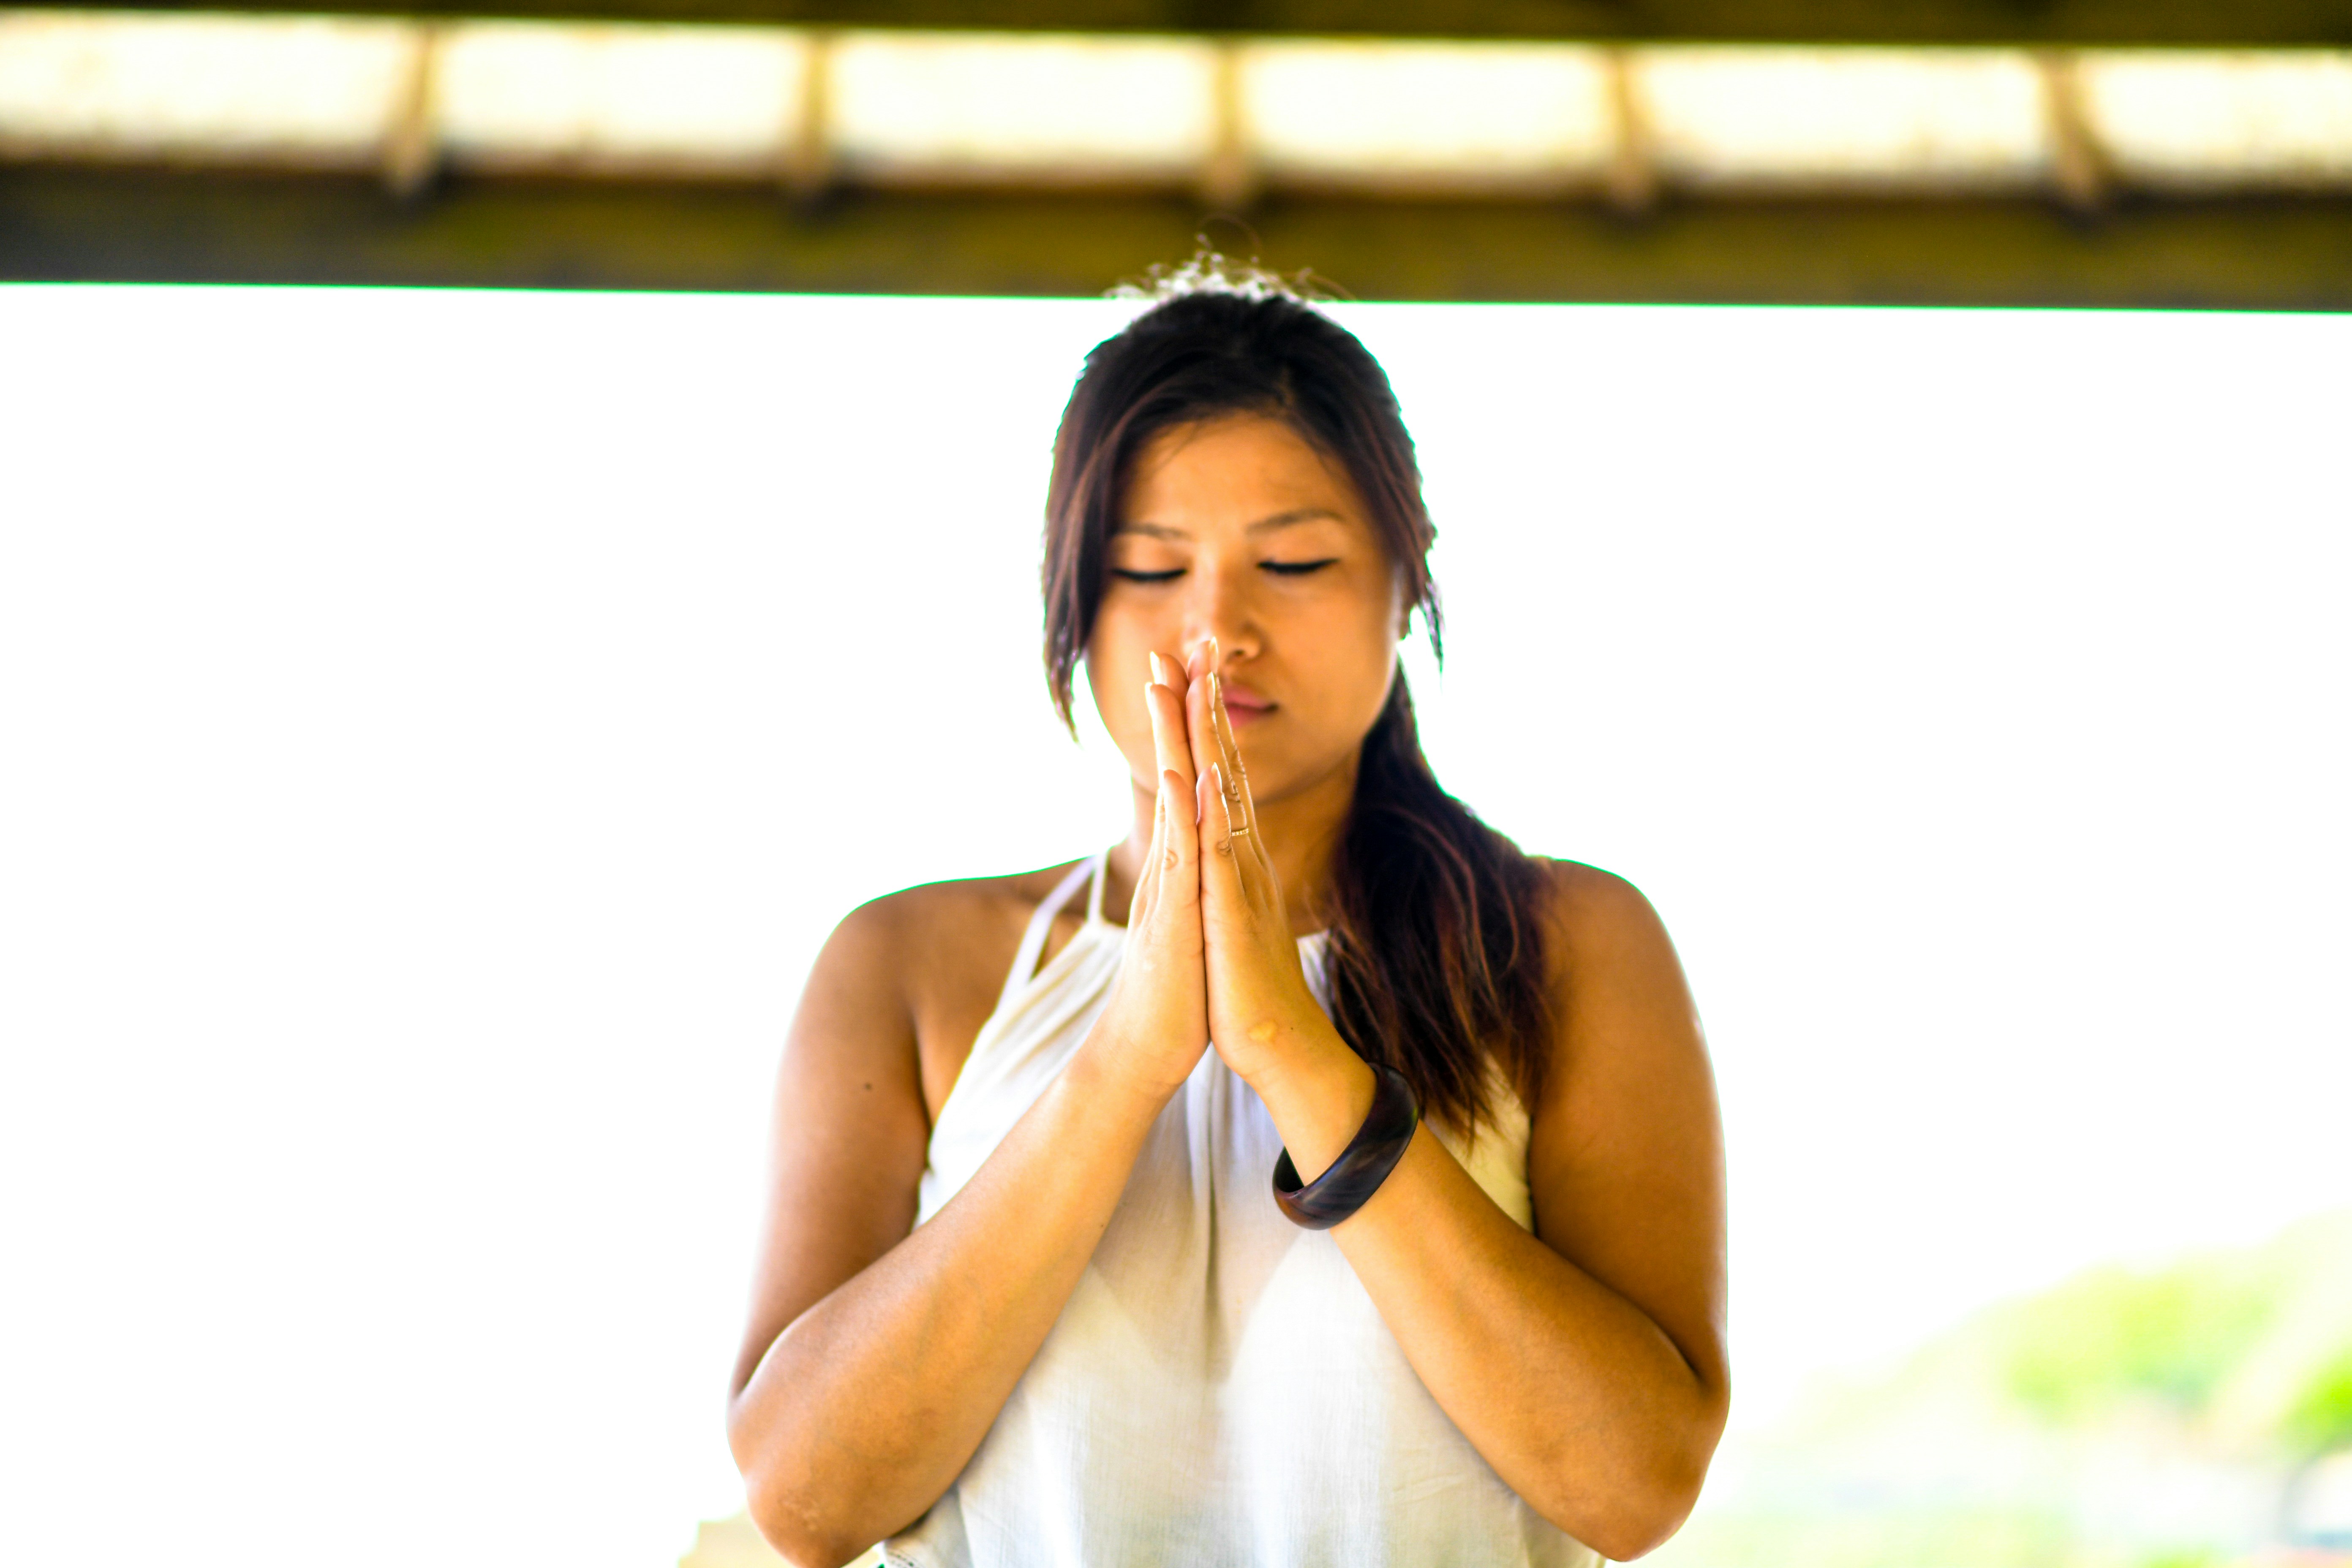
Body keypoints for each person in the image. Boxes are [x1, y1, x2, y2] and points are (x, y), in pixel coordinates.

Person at [726, 262, 1728, 1568]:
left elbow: (1633, 1483)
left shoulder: (1567, 941)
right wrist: (1128, 1058)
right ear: (1073, 605)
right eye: (1150, 568)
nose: (1216, 630)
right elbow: (806, 1498)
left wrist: (1294, 1052)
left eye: (1296, 560)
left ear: (1404, 583)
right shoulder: (907, 965)